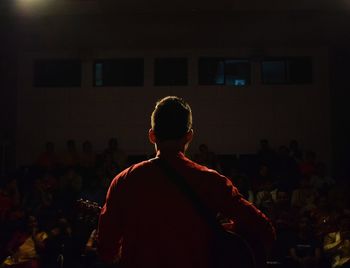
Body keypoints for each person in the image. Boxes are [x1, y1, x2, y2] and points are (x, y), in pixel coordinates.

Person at [97, 96, 275, 268]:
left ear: (152, 135)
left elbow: (106, 251)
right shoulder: (211, 181)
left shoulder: (124, 181)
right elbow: (265, 229)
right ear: (189, 136)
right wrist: (224, 230)